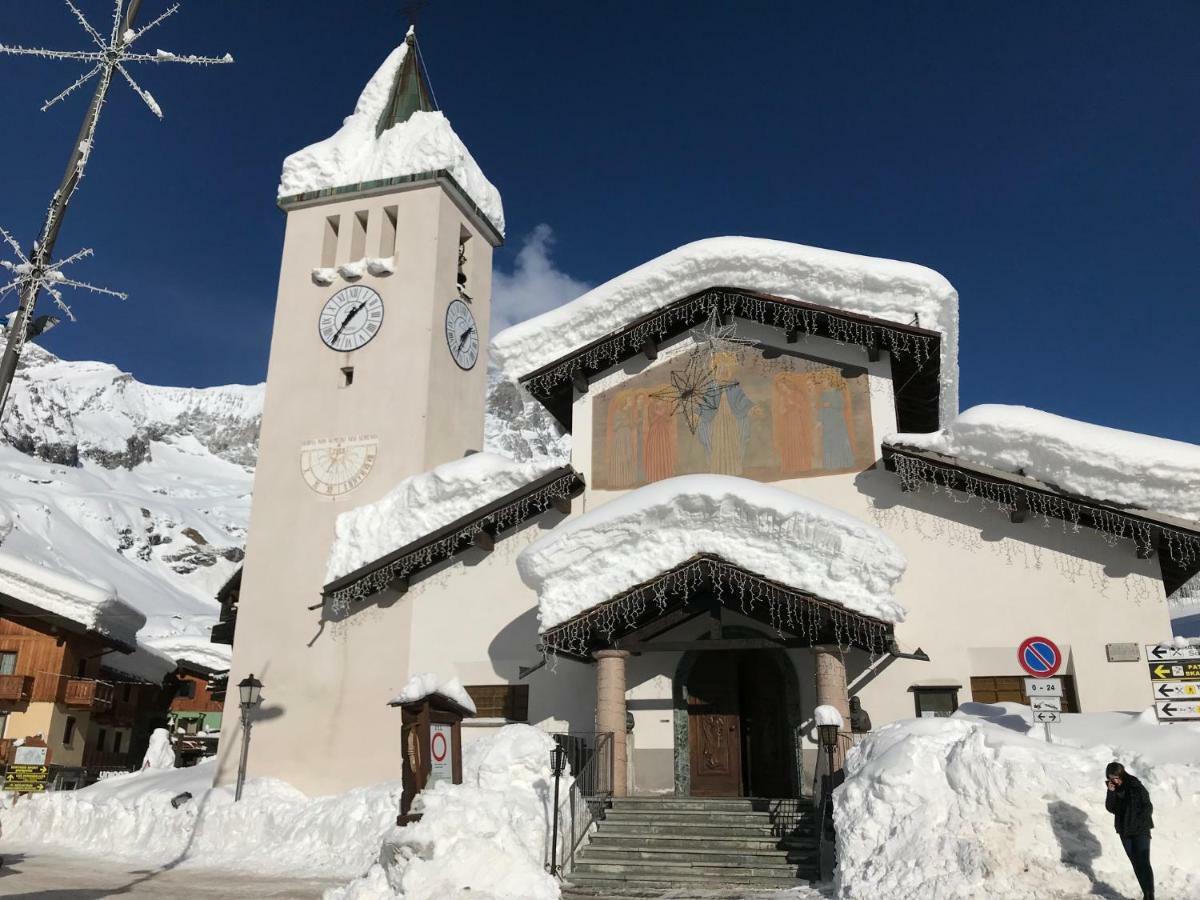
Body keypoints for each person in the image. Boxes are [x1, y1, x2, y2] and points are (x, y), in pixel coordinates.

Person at [1105, 761, 1154, 900]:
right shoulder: (1113, 789)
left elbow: (1147, 806)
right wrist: (1111, 792)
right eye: (1110, 777)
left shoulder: (1134, 785)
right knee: (1136, 863)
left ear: (1121, 774)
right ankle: (1146, 894)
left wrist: (1141, 820)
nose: (1113, 780)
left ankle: (1150, 895)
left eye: (1115, 776)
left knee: (1143, 861)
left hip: (1140, 829)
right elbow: (1110, 808)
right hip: (1124, 831)